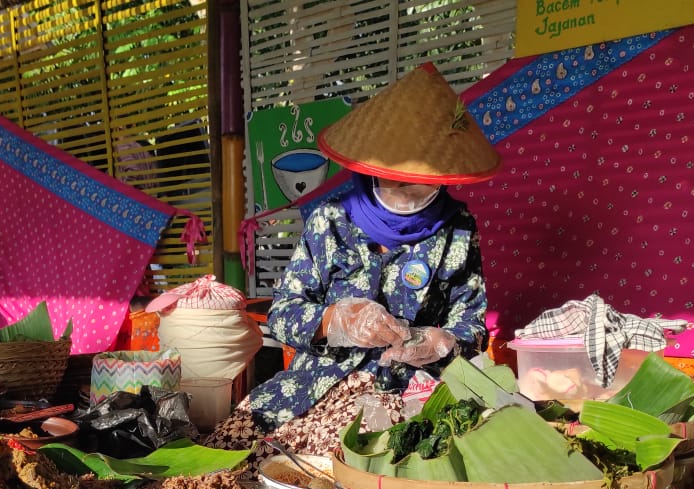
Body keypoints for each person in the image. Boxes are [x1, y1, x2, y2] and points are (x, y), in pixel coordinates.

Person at [205, 63, 501, 456]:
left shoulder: (458, 228)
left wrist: (442, 342)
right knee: (228, 452)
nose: (412, 191)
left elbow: (471, 325)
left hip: (405, 393)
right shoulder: (331, 220)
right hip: (308, 386)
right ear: (372, 169)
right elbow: (282, 315)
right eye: (398, 178)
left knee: (343, 465)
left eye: (426, 180)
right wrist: (334, 321)